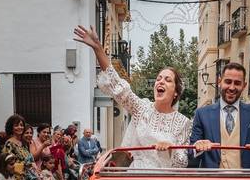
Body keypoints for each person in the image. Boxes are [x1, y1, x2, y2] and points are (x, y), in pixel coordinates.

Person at [74, 25, 190, 168]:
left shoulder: (183, 122)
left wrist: (171, 148)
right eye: (159, 78)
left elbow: (183, 163)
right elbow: (117, 86)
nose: (160, 81)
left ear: (176, 92)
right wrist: (97, 48)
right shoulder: (142, 108)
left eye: (167, 80)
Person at [188, 62, 250, 168]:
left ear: (244, 86)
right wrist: (199, 145)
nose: (232, 88)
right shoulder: (202, 113)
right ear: (219, 82)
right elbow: (191, 150)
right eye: (228, 82)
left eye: (237, 83)